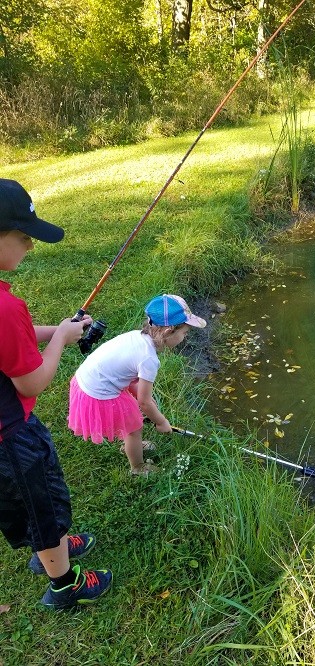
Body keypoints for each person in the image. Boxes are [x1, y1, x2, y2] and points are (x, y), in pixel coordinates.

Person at [0, 178, 113, 610]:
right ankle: (63, 583)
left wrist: (64, 329)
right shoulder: (5, 308)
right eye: (24, 236)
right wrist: (61, 341)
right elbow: (31, 381)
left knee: (37, 498)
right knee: (42, 504)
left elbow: (16, 340)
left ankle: (52, 545)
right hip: (10, 438)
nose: (30, 245)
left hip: (10, 429)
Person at [68, 294, 206, 476]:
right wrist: (161, 422)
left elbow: (130, 380)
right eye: (184, 333)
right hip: (99, 392)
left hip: (87, 379)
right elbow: (144, 402)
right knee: (134, 427)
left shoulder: (137, 337)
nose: (184, 338)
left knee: (131, 417)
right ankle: (137, 467)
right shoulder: (149, 358)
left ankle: (132, 446)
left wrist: (146, 403)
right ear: (168, 331)